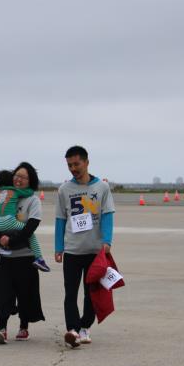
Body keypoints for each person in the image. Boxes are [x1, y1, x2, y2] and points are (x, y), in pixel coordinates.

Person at [55, 145, 115, 347]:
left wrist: (107, 241)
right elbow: (60, 220)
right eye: (69, 165)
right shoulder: (64, 190)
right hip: (72, 250)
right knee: (70, 292)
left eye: (76, 164)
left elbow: (107, 215)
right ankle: (72, 330)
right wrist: (58, 247)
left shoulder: (102, 187)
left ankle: (84, 327)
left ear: (87, 162)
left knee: (91, 293)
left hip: (95, 251)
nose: (73, 168)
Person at [0, 163, 45, 343]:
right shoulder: (1, 195)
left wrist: (11, 241)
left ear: (30, 181)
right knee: (1, 294)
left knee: (25, 293)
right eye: (16, 175)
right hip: (2, 257)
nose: (18, 179)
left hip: (25, 256)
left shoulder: (33, 200)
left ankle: (23, 327)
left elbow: (31, 227)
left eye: (23, 177)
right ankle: (2, 329)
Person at [0, 174, 50, 280]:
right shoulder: (14, 191)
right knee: (29, 233)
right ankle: (39, 259)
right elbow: (28, 193)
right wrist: (30, 188)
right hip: (10, 222)